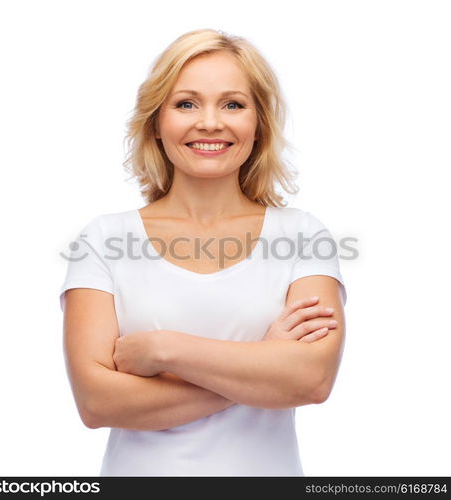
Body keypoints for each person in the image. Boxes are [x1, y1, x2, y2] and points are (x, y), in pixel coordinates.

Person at [59, 28, 347, 477]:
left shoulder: (303, 236)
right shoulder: (104, 239)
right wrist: (263, 365)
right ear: (156, 122)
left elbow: (311, 380)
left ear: (259, 124)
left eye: (233, 104)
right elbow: (97, 402)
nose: (210, 122)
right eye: (186, 103)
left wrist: (165, 349)